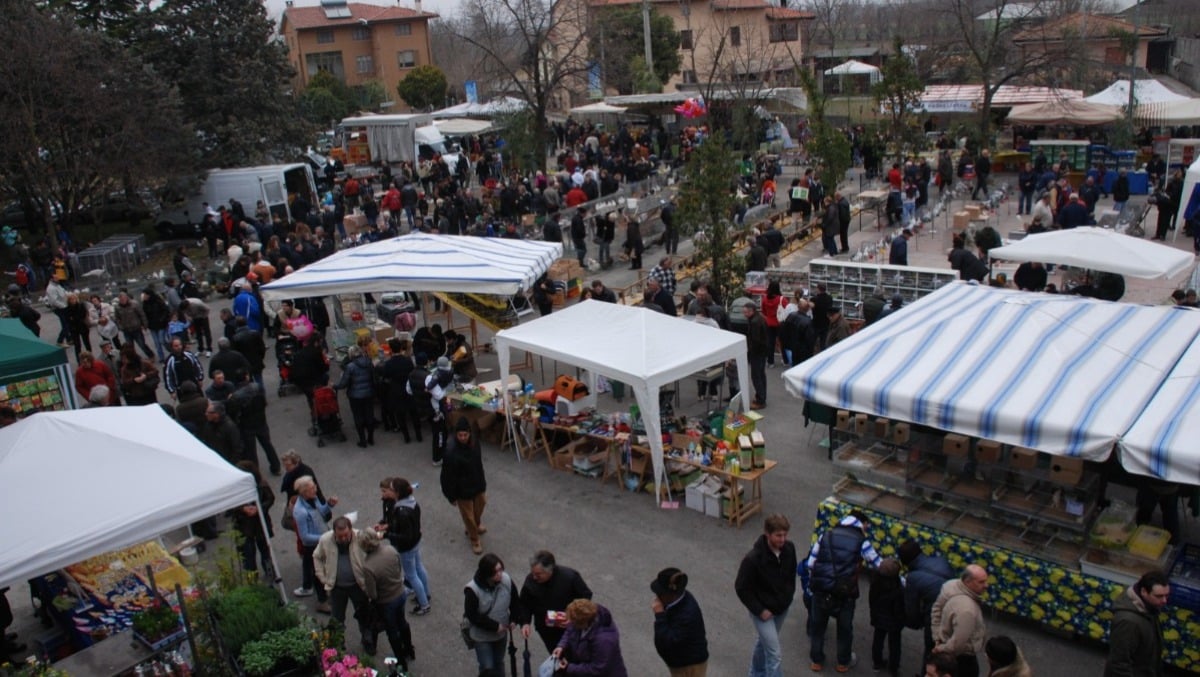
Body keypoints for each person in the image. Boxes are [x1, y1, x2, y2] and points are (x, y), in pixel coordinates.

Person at [801, 512, 883, 672]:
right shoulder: (862, 541)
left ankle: (816, 660)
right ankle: (843, 662)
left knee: (818, 627)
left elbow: (811, 563)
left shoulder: (826, 535)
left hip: (821, 589)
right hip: (845, 591)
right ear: (862, 523)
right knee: (845, 628)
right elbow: (877, 564)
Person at [734, 514, 797, 677]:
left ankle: (756, 673)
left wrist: (788, 596)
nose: (782, 539)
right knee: (774, 654)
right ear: (767, 534)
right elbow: (741, 588)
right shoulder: (753, 559)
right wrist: (760, 610)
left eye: (785, 534)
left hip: (781, 608)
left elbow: (791, 575)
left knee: (765, 643)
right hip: (763, 612)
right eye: (778, 535)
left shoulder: (789, 549)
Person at [314, 516, 375, 655]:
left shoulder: (360, 537)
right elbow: (316, 556)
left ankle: (367, 640)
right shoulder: (325, 540)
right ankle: (338, 644)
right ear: (334, 532)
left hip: (358, 585)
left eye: (346, 535)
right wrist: (322, 577)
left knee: (364, 615)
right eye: (339, 536)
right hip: (337, 587)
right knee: (337, 618)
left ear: (351, 531)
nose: (343, 539)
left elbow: (373, 553)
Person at [464, 553, 530, 676]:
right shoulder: (472, 590)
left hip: (501, 635)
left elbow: (515, 602)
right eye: (495, 572)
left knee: (499, 662)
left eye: (500, 569)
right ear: (486, 573)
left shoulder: (506, 580)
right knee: (487, 668)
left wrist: (514, 619)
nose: (500, 574)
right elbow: (472, 615)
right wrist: (495, 626)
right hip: (482, 637)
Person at [357, 529, 414, 668]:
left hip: (386, 602)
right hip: (400, 593)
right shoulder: (391, 550)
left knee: (392, 630)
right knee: (403, 622)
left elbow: (372, 594)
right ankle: (409, 649)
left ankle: (401, 660)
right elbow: (399, 570)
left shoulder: (368, 566)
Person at [520, 550, 594, 653]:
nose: (534, 577)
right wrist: (525, 622)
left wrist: (573, 617)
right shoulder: (531, 581)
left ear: (550, 570)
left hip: (569, 629)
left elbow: (586, 596)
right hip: (546, 630)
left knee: (574, 656)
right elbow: (525, 603)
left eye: (538, 574)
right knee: (556, 656)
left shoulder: (570, 578)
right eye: (532, 573)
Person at [377, 477, 432, 616]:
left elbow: (404, 536)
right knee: (419, 568)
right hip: (415, 542)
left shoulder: (401, 511)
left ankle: (424, 604)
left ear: (397, 492)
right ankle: (426, 594)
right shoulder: (412, 503)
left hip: (406, 547)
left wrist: (385, 535)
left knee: (411, 575)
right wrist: (388, 526)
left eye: (391, 489)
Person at [1104, 570, 1169, 677]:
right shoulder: (1128, 622)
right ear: (1143, 591)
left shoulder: (1148, 608)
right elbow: (1119, 663)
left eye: (1166, 595)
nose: (1164, 601)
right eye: (1159, 596)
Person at [899, 540, 956, 662]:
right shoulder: (941, 560)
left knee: (932, 653)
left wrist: (915, 623)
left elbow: (912, 610)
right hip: (957, 610)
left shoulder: (913, 578)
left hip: (936, 618)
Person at [931, 565, 990, 677]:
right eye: (981, 582)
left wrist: (937, 637)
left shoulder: (950, 585)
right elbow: (958, 643)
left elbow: (936, 610)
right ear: (968, 581)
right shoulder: (967, 610)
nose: (986, 585)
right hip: (962, 658)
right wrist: (940, 649)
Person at [441, 417, 489, 554]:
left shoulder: (475, 444)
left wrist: (483, 483)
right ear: (456, 435)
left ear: (469, 434)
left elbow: (479, 465)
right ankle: (474, 539)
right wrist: (451, 496)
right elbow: (446, 476)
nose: (463, 438)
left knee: (481, 505)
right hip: (462, 490)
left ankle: (476, 524)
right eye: (460, 435)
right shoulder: (450, 452)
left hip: (477, 483)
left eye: (465, 435)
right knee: (468, 516)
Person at [651, 567, 709, 677]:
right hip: (682, 662)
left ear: (671, 594)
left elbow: (665, 642)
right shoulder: (678, 601)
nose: (657, 597)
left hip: (688, 666)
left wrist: (659, 616)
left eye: (660, 593)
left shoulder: (687, 615)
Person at [293, 475, 338, 611]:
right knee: (318, 573)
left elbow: (322, 513)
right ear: (304, 492)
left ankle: (327, 591)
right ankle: (322, 601)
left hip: (323, 539)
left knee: (327, 567)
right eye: (313, 488)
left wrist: (329, 505)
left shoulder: (314, 499)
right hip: (313, 546)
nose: (316, 489)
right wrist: (326, 537)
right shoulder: (300, 512)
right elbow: (305, 537)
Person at [551, 598, 628, 676]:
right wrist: (561, 645)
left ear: (582, 624)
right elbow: (570, 630)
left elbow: (596, 668)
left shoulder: (604, 641)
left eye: (573, 622)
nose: (570, 623)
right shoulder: (583, 620)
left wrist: (569, 667)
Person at [226, 372, 281, 475]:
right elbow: (264, 402)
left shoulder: (235, 396)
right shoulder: (257, 387)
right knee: (267, 445)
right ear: (246, 377)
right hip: (261, 421)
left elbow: (231, 412)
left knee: (251, 452)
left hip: (246, 426)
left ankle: (256, 473)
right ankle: (276, 466)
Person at [231, 460, 275, 578]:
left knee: (265, 552)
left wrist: (259, 509)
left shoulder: (261, 484)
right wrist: (242, 509)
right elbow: (231, 504)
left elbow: (270, 499)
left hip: (260, 523)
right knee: (248, 555)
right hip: (244, 526)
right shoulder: (236, 488)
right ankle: (252, 578)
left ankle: (270, 574)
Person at [335, 345, 377, 448]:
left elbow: (344, 383)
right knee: (369, 415)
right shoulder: (368, 362)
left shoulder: (350, 367)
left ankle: (362, 441)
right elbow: (374, 378)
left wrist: (335, 386)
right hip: (368, 394)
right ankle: (371, 438)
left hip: (355, 396)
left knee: (358, 417)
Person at [869, 558, 905, 676]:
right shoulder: (898, 588)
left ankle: (877, 662)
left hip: (879, 617)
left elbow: (872, 599)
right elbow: (899, 607)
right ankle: (894, 667)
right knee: (895, 644)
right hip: (894, 620)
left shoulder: (875, 582)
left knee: (878, 639)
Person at [743, 302, 769, 410]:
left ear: (751, 311)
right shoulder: (759, 318)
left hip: (757, 353)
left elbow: (755, 340)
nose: (744, 314)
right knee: (761, 375)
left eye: (745, 312)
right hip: (762, 351)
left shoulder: (754, 322)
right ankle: (761, 396)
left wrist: (750, 351)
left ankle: (760, 400)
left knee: (756, 376)